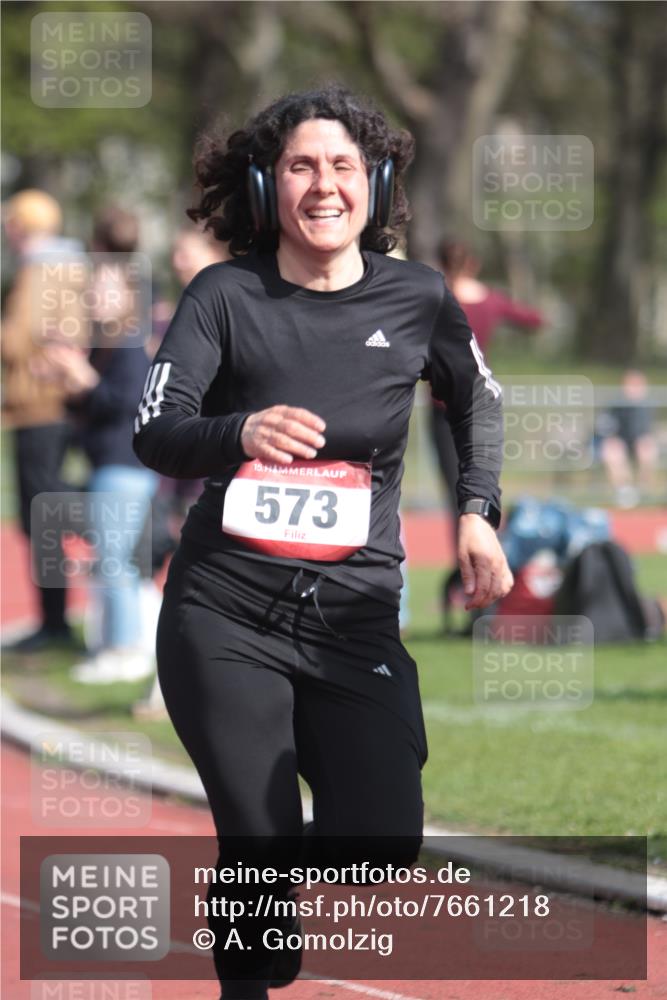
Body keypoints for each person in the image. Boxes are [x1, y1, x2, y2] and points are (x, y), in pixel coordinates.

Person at [132, 85, 513, 998]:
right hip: (224, 612)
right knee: (257, 838)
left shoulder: (419, 297)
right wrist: (241, 432)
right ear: (269, 183)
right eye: (301, 165)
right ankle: (247, 967)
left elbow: (478, 401)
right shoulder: (224, 294)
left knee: (379, 843)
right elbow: (156, 427)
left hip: (351, 617)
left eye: (343, 166)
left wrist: (475, 509)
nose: (323, 185)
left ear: (373, 182)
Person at [36, 207, 157, 683]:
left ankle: (125, 651)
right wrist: (69, 379)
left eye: (104, 291)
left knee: (115, 561)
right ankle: (116, 644)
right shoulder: (104, 343)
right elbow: (89, 405)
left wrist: (83, 381)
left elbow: (128, 403)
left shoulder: (129, 343)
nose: (94, 297)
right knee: (109, 559)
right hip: (107, 462)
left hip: (124, 464)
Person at [1, 189, 86, 652]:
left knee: (43, 516)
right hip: (57, 404)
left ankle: (54, 624)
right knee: (45, 514)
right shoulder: (69, 269)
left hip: (37, 405)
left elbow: (17, 342)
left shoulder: (37, 271)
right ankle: (54, 621)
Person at [429, 239, 543, 545]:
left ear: (441, 263)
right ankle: (488, 564)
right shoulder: (490, 300)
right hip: (479, 405)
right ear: (472, 264)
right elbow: (533, 319)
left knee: (455, 494)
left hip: (443, 409)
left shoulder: (436, 298)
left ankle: (463, 575)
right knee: (481, 490)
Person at [596, 369, 660, 508]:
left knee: (647, 449)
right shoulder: (615, 404)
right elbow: (605, 427)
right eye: (630, 385)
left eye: (638, 385)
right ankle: (624, 491)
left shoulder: (648, 405)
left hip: (639, 444)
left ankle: (643, 493)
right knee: (611, 450)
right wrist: (611, 438)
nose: (633, 389)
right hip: (620, 442)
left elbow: (646, 432)